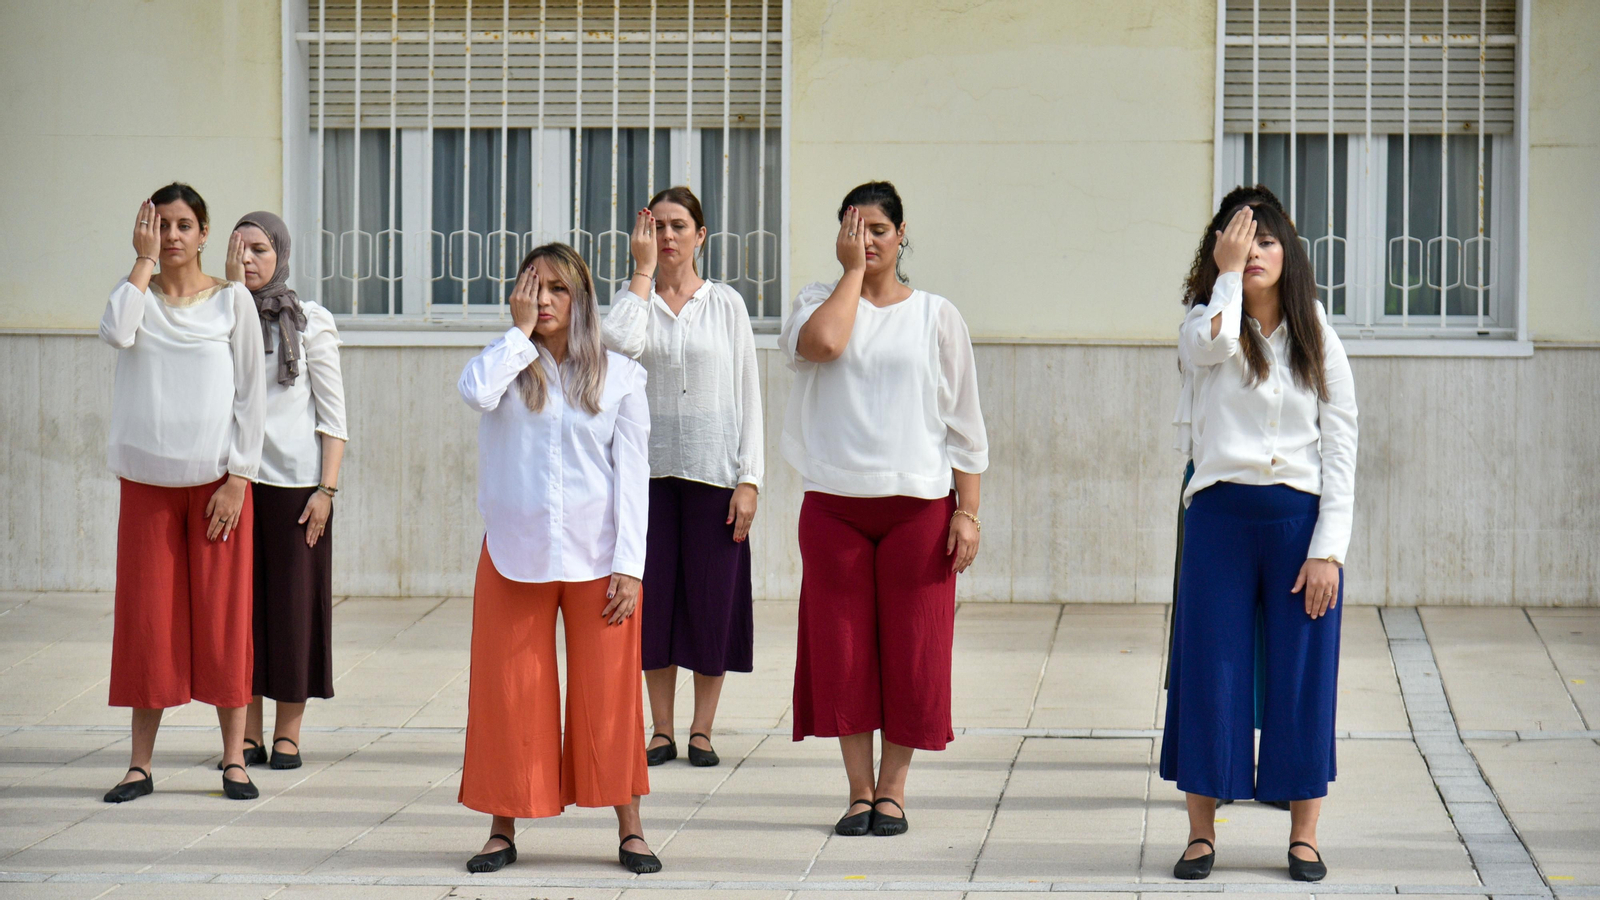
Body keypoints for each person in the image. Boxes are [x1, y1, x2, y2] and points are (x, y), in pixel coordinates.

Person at [1161, 186, 1359, 883]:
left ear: (1289, 253)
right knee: (1211, 671)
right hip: (1219, 518)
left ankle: (1303, 835)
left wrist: (1328, 548)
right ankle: (1200, 833)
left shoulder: (1316, 333)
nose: (1254, 252)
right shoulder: (1204, 322)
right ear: (1221, 250)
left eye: (1266, 241)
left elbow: (1341, 444)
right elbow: (1209, 349)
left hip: (1297, 522)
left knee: (1302, 674)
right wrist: (1223, 276)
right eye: (1240, 242)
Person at [779, 181, 988, 838]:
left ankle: (893, 790)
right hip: (834, 507)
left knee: (914, 651)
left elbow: (965, 422)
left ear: (902, 234)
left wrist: (968, 511)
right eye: (852, 227)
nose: (866, 240)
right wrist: (850, 276)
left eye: (877, 229)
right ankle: (857, 791)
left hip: (919, 507)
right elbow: (825, 347)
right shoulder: (816, 303)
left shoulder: (936, 315)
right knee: (842, 653)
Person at [455, 243, 660, 875]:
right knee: (508, 692)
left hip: (599, 559)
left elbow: (633, 477)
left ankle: (630, 827)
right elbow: (473, 392)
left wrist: (631, 565)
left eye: (556, 290)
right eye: (531, 288)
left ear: (581, 299)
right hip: (515, 555)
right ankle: (501, 827)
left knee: (610, 695)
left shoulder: (621, 375)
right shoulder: (505, 366)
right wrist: (517, 335)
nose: (542, 300)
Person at [99, 183, 266, 803]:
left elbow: (252, 395)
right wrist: (140, 265)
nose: (171, 236)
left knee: (223, 619)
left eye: (184, 225)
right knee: (147, 622)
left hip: (217, 488)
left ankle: (233, 759)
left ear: (203, 234)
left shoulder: (232, 304)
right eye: (160, 224)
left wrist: (239, 477)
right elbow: (114, 334)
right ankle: (140, 765)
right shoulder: (134, 297)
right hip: (147, 484)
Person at [602, 186, 763, 769]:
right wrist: (641, 274)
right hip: (643, 475)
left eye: (679, 225)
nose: (668, 236)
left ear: (701, 235)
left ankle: (702, 729)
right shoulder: (631, 301)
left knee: (711, 602)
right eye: (657, 226)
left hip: (713, 472)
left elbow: (749, 391)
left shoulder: (727, 306)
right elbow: (618, 346)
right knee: (656, 603)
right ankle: (661, 729)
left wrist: (750, 478)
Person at [228, 212, 348, 771]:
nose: (249, 259)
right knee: (239, 612)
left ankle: (287, 735)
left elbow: (334, 417)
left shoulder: (311, 320)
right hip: (233, 484)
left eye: (259, 249)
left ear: (280, 253)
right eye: (239, 249)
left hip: (298, 489)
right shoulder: (219, 317)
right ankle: (244, 734)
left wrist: (327, 489)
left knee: (295, 612)